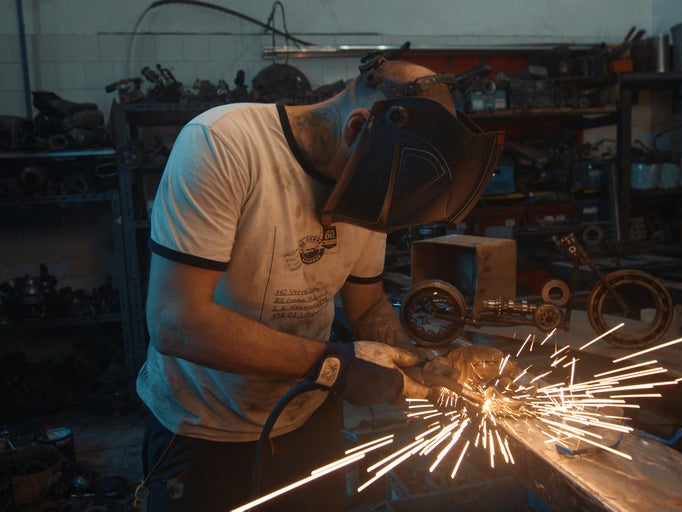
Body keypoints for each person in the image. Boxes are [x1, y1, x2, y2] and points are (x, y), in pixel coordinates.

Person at [134, 51, 503, 512]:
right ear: (356, 128)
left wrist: (427, 361)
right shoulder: (222, 144)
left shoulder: (377, 178)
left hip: (309, 414)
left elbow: (366, 305)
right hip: (203, 427)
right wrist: (338, 365)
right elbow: (177, 321)